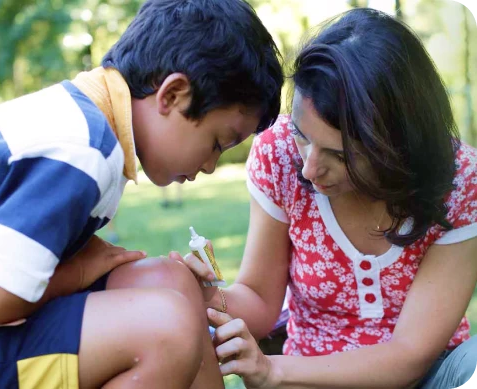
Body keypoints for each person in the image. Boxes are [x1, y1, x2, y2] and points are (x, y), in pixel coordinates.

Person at [0, 0, 283, 387]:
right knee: (165, 328)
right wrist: (82, 269)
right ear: (172, 95)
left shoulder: (87, 122)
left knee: (173, 281)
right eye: (218, 143)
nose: (210, 166)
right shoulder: (81, 150)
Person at [173, 8, 477, 389]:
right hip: (312, 378)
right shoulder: (280, 154)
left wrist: (274, 371)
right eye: (303, 134)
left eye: (339, 155)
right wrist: (204, 295)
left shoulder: (459, 178)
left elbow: (410, 354)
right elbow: (259, 301)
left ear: (398, 146)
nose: (309, 169)